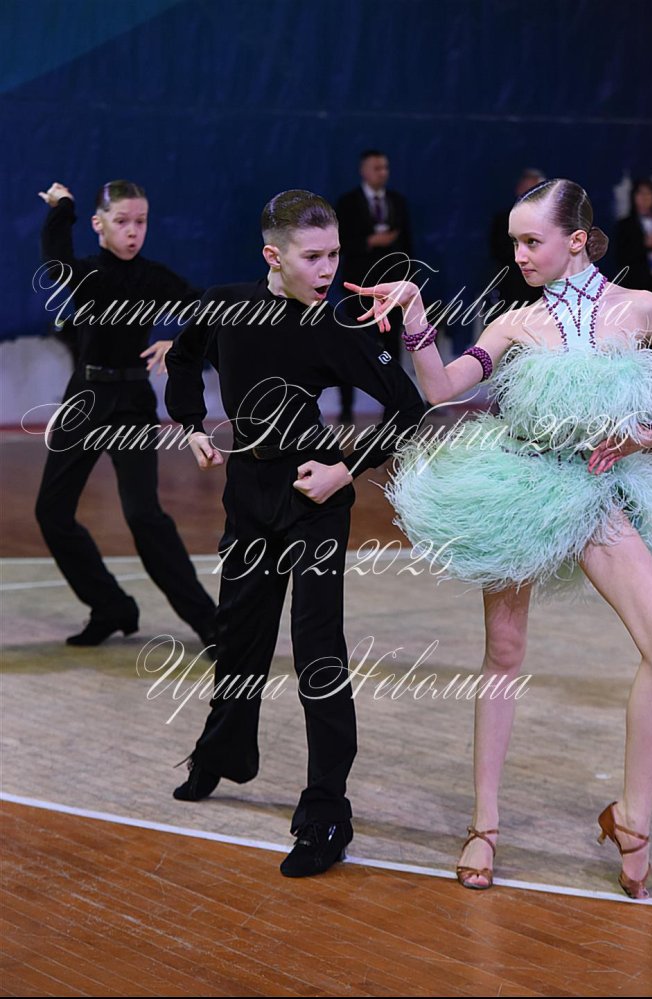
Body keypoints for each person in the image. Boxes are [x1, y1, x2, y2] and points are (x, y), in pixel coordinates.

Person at [344, 178, 652, 899]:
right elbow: (441, 388)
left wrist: (649, 433)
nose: (518, 253)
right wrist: (416, 316)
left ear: (576, 240)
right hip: (520, 487)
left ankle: (633, 818)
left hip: (600, 489)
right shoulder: (517, 321)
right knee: (506, 651)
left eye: (531, 241)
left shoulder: (643, 309)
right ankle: (484, 824)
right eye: (514, 241)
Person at [164, 189, 425, 878]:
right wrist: (190, 424)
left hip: (314, 500)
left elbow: (409, 407)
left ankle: (326, 815)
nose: (328, 269)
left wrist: (345, 470)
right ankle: (224, 751)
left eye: (335, 254)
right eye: (313, 256)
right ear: (273, 256)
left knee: (317, 655)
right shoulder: (225, 304)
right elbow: (183, 358)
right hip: (247, 493)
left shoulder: (334, 327)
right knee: (239, 633)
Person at [35, 180, 217, 651]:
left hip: (133, 405)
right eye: (122, 221)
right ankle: (110, 606)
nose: (133, 231)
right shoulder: (87, 274)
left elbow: (208, 311)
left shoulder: (155, 278)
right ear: (99, 225)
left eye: (141, 221)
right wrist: (64, 207)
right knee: (51, 512)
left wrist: (180, 343)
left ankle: (211, 624)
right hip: (84, 398)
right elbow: (55, 260)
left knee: (143, 515)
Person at [336, 150, 413, 421]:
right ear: (364, 170)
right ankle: (346, 408)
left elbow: (407, 246)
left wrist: (406, 284)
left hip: (390, 288)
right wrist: (369, 242)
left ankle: (393, 406)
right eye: (377, 168)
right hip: (358, 289)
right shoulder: (347, 203)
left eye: (385, 167)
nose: (383, 173)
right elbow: (340, 243)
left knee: (391, 348)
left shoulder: (397, 202)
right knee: (352, 346)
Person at [488, 168, 545, 315]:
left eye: (536, 191)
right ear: (519, 190)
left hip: (544, 288)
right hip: (513, 287)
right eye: (527, 189)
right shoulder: (504, 220)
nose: (531, 195)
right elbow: (499, 251)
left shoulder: (550, 221)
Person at [615, 178, 652, 301]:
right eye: (641, 193)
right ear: (633, 197)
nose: (645, 198)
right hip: (636, 285)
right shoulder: (625, 225)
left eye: (649, 193)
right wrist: (644, 244)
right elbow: (620, 256)